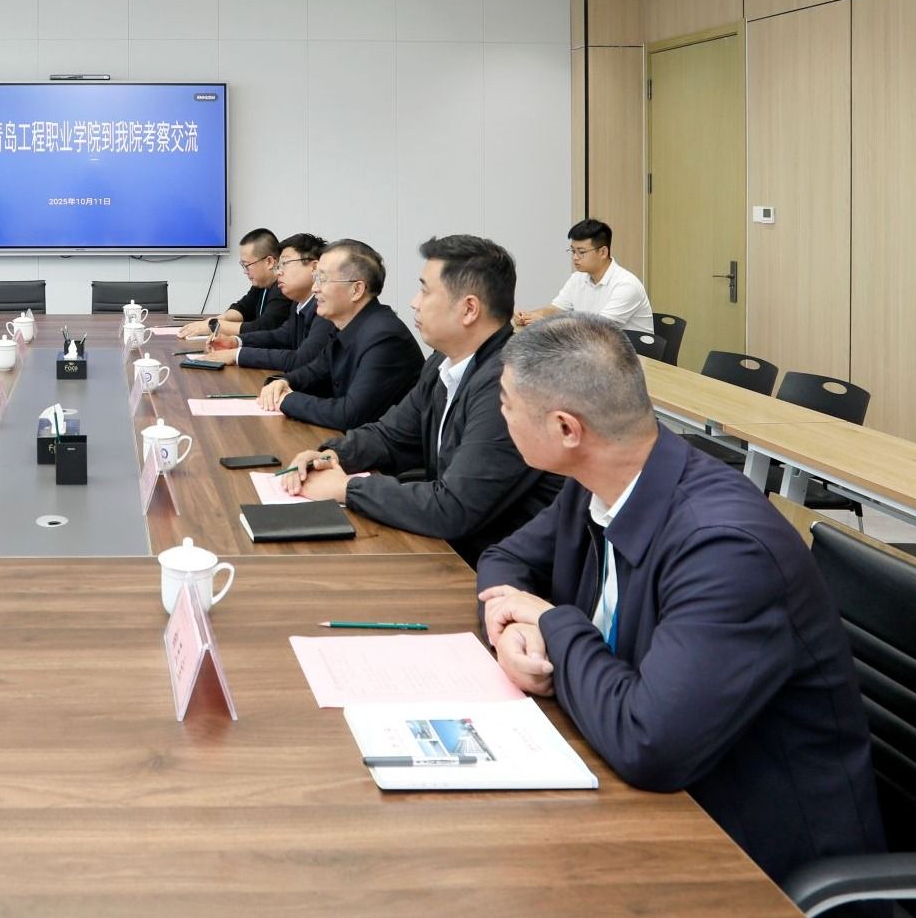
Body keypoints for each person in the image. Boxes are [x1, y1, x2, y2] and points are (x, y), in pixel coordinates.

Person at [476, 313, 883, 883]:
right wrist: (513, 628)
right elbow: (504, 561)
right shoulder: (600, 484)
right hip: (650, 798)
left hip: (755, 864)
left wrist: (553, 625)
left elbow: (651, 744)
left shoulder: (725, 549)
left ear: (567, 429)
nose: (500, 414)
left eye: (506, 403)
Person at [281, 235, 560, 565]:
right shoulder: (443, 362)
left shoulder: (507, 385)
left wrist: (346, 489)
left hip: (495, 568)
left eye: (425, 291)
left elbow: (453, 508)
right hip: (449, 550)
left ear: (469, 309)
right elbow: (391, 435)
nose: (414, 303)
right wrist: (331, 455)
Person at [256, 240, 422, 432]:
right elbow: (315, 371)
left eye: (322, 279)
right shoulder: (348, 325)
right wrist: (283, 382)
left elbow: (349, 415)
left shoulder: (385, 338)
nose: (315, 288)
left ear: (356, 290)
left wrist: (287, 400)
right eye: (316, 278)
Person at [204, 232, 330, 371]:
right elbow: (281, 336)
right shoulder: (298, 303)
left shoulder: (327, 309)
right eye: (279, 266)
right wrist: (235, 341)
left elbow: (301, 360)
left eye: (285, 264)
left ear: (314, 268)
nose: (278, 272)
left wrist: (237, 354)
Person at [513, 218, 654, 332]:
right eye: (573, 251)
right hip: (594, 349)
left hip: (633, 355)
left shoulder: (626, 285)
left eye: (581, 252)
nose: (575, 257)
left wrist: (546, 322)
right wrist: (529, 316)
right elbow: (555, 309)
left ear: (603, 252)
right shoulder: (577, 278)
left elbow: (598, 328)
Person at [177, 227, 292, 339]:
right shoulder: (261, 285)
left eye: (247, 265)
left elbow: (263, 328)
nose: (244, 272)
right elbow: (242, 308)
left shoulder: (283, 288)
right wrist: (218, 319)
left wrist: (215, 326)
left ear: (269, 262)